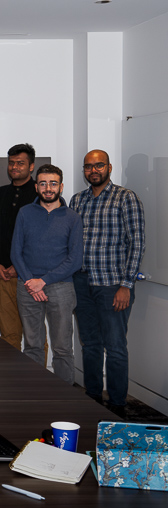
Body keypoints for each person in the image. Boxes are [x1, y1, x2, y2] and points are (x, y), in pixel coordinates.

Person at [70, 149, 145, 416]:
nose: (93, 170)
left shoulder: (126, 198)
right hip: (82, 283)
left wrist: (127, 284)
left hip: (113, 285)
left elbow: (137, 244)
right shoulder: (77, 200)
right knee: (89, 345)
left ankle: (116, 404)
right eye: (88, 167)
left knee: (115, 347)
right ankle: (91, 397)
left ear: (109, 168)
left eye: (99, 165)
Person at [11, 164, 82, 383]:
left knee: (62, 348)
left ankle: (65, 400)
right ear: (36, 187)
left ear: (61, 186)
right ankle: (34, 397)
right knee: (32, 345)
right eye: (43, 183)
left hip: (61, 287)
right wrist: (31, 282)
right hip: (27, 286)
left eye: (53, 183)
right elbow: (15, 252)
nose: (48, 188)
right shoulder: (25, 213)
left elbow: (75, 260)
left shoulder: (73, 218)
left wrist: (43, 281)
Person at [0, 144, 39, 350]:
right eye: (11, 163)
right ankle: (13, 382)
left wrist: (19, 267)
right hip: (2, 277)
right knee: (9, 336)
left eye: (20, 163)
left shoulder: (40, 195)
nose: (15, 167)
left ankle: (37, 381)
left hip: (30, 278)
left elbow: (39, 239)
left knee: (34, 338)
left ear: (32, 166)